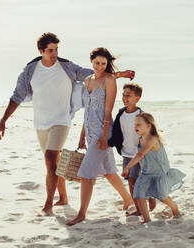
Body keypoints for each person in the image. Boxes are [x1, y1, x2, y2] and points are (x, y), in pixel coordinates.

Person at [0, 32, 135, 216]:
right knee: (56, 164)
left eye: (56, 49)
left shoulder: (67, 67)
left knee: (54, 160)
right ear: (41, 51)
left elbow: (98, 75)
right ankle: (65, 198)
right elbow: (17, 96)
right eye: (50, 50)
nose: (54, 54)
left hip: (62, 120)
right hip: (41, 123)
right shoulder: (30, 71)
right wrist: (3, 120)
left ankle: (49, 205)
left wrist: (120, 74)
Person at [66, 47, 134, 226]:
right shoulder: (88, 80)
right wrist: (82, 134)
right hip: (89, 131)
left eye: (104, 63)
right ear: (91, 61)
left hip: (102, 133)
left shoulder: (109, 80)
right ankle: (128, 200)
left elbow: (107, 110)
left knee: (87, 174)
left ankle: (81, 213)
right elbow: (87, 111)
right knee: (109, 171)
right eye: (97, 62)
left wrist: (104, 137)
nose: (100, 66)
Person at [122, 112, 185, 223]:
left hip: (159, 174)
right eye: (135, 124)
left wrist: (127, 167)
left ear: (148, 126)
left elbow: (140, 155)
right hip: (146, 173)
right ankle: (146, 219)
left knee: (162, 196)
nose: (135, 127)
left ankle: (174, 208)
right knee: (138, 194)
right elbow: (141, 158)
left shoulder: (153, 139)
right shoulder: (140, 140)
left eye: (139, 124)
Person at [108, 84, 156, 216]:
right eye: (123, 95)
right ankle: (142, 203)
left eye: (128, 95)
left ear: (137, 98)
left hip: (139, 154)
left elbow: (150, 133)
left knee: (135, 180)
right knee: (130, 180)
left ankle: (144, 204)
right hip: (126, 152)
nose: (124, 98)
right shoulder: (121, 113)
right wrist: (109, 143)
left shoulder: (141, 115)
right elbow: (117, 131)